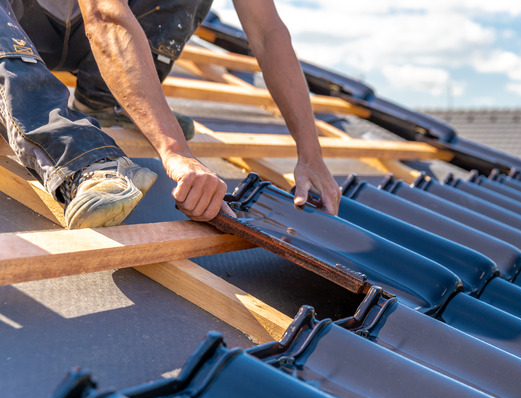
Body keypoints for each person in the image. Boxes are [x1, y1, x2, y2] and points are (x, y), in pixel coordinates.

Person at [2, 0, 341, 229]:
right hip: (18, 27)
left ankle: (110, 101)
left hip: (76, 34)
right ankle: (81, 160)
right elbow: (104, 16)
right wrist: (175, 151)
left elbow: (269, 33)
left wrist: (310, 153)